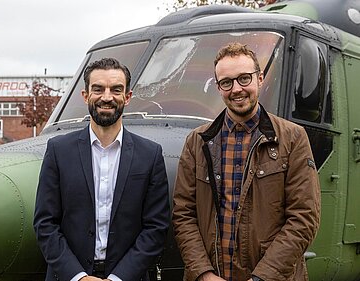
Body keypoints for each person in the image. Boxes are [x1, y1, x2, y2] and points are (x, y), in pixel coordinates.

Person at [172, 43, 320, 281]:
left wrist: (262, 277)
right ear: (219, 87)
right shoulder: (197, 142)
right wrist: (203, 273)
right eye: (227, 82)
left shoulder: (293, 138)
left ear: (260, 79)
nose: (236, 89)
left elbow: (303, 218)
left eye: (244, 78)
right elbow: (183, 214)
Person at [33, 58, 170, 281]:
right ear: (85, 95)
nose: (107, 97)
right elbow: (45, 223)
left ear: (127, 96)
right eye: (98, 89)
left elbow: (155, 228)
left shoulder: (150, 155)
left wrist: (118, 278)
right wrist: (78, 277)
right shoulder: (58, 151)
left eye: (116, 90)